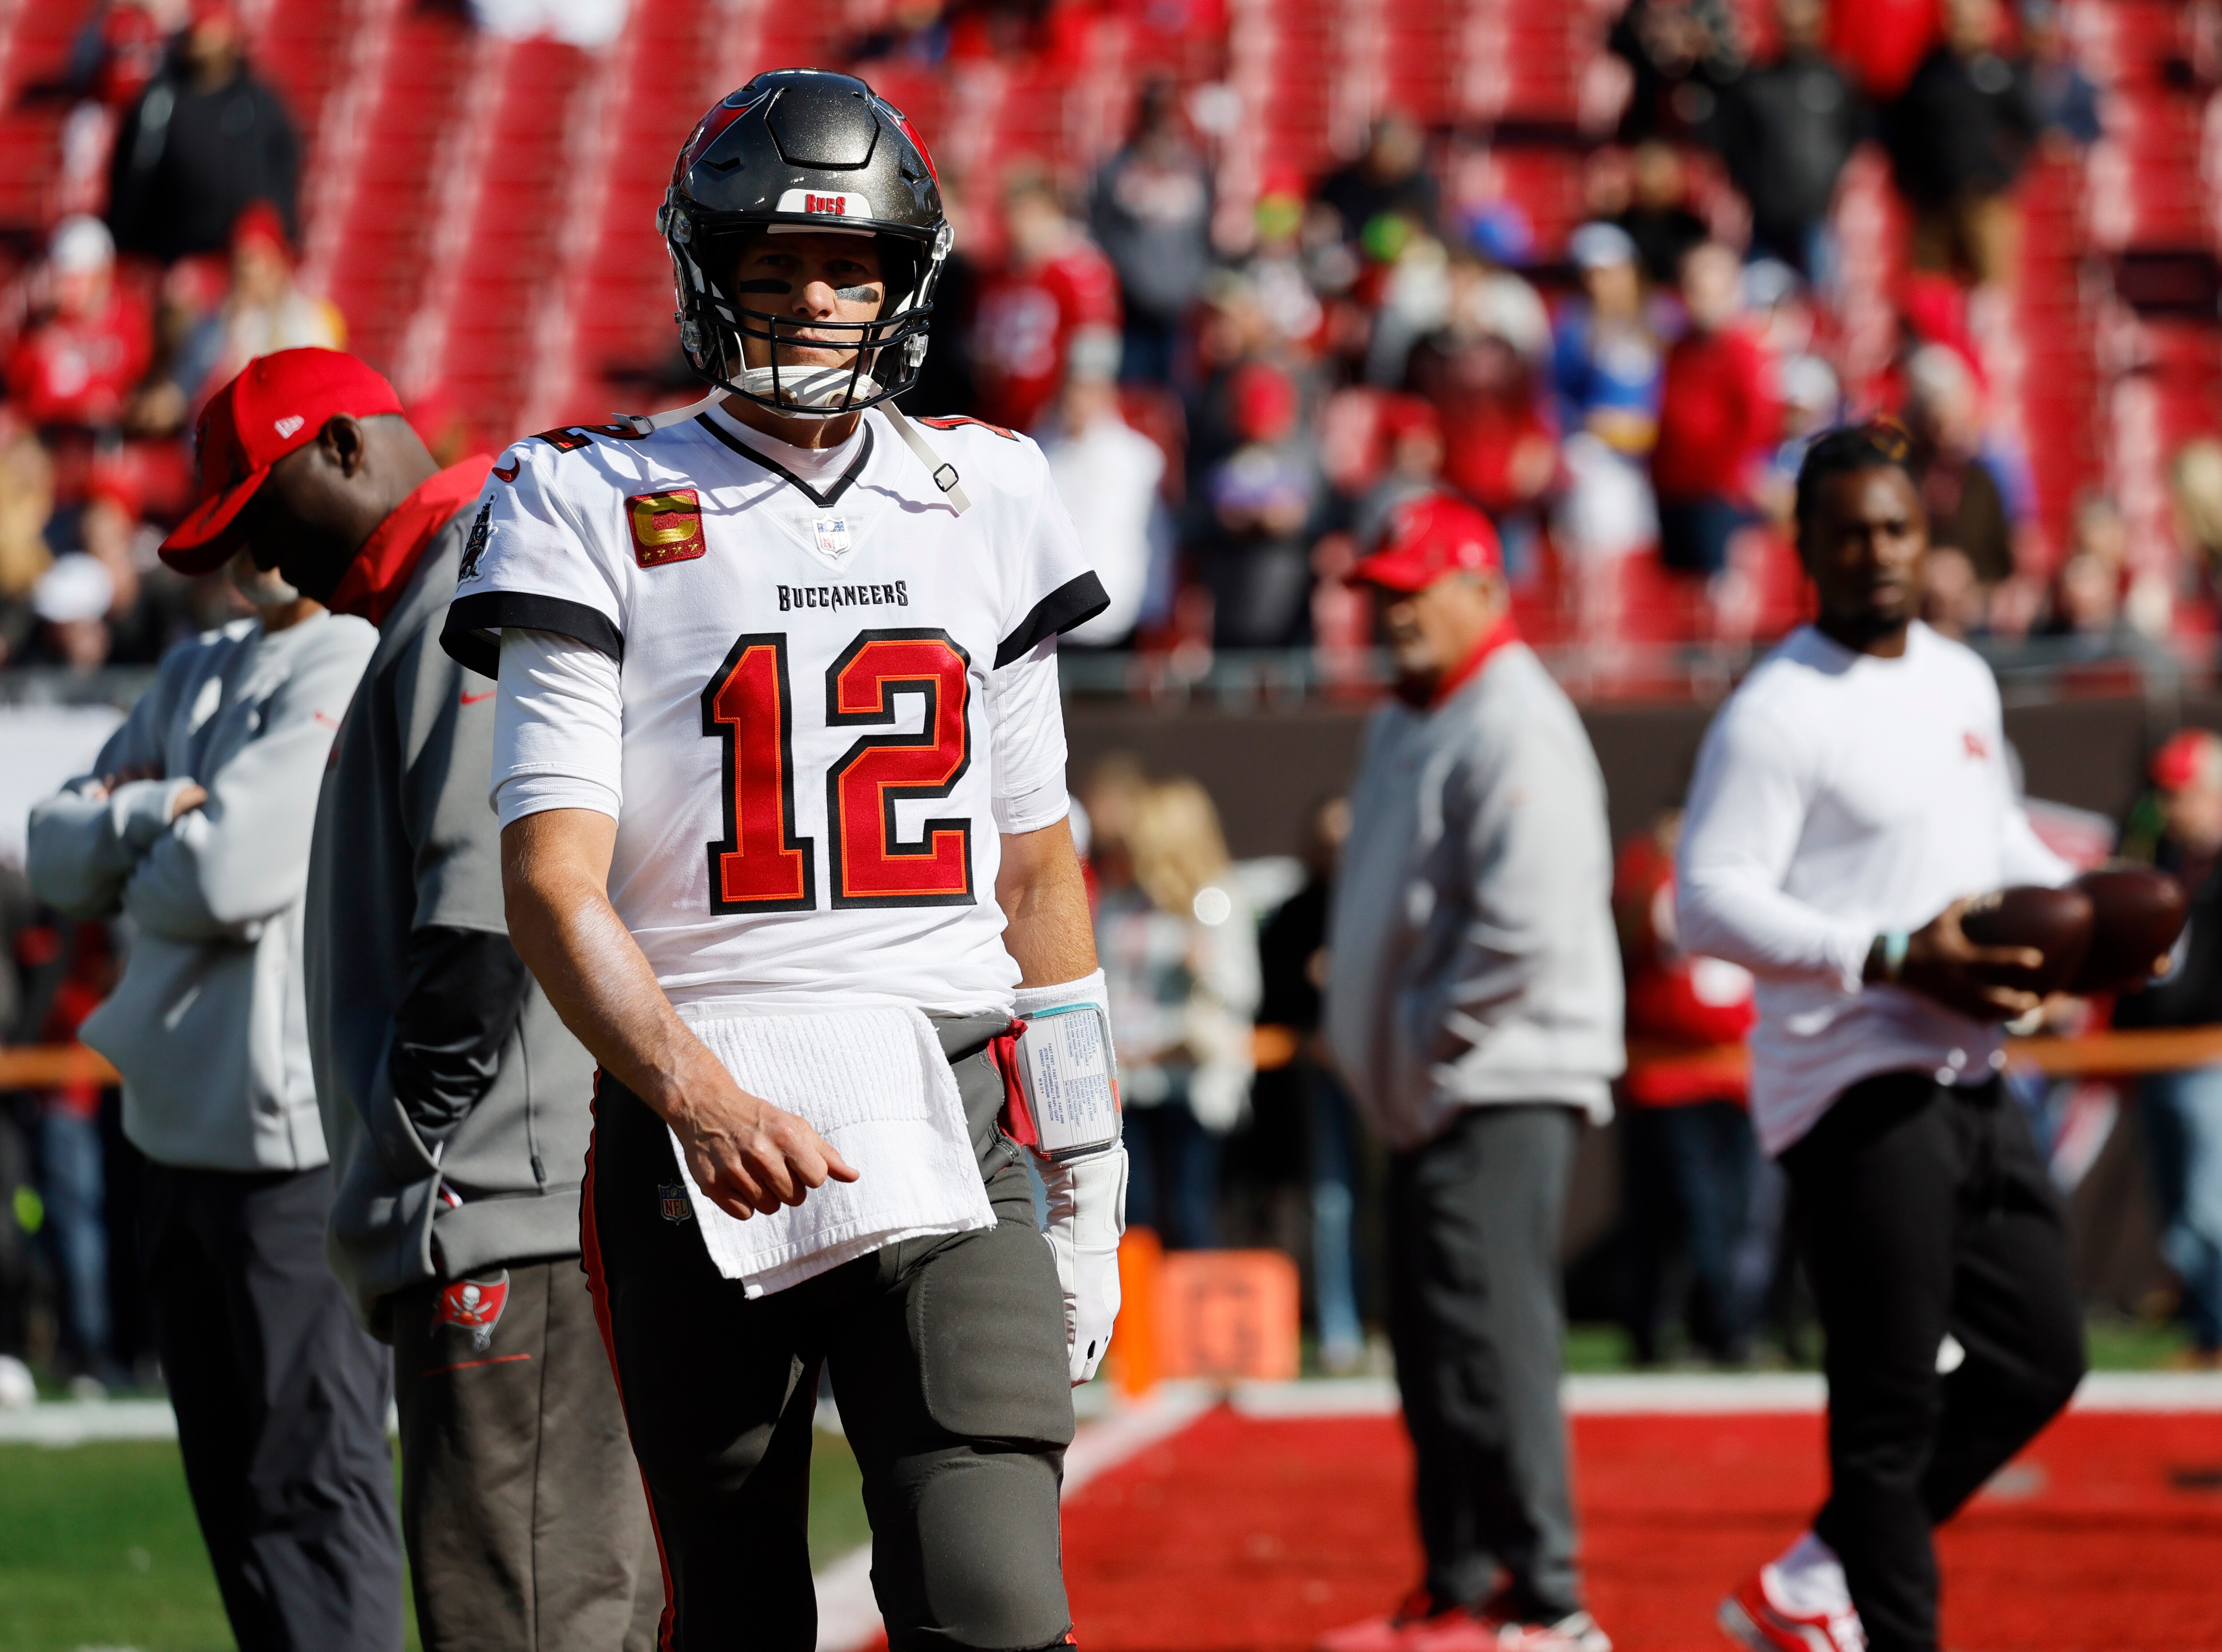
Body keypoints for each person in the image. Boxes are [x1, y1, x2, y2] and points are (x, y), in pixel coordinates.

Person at [441, 71, 1121, 1652]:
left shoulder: (990, 489)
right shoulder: (583, 496)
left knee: (995, 1600)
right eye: (771, 261)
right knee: (735, 1614)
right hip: (698, 1112)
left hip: (945, 1091)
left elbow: (1035, 874)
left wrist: (1087, 1178)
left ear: (905, 280)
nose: (814, 297)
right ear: (706, 271)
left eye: (849, 265)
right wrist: (693, 1093)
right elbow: (549, 876)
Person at [161, 347, 661, 1652]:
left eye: (260, 508)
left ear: (341, 449)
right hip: (546, 1194)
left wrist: (413, 1152)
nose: (258, 559)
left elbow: (486, 916)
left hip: (510, 1211)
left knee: (525, 1618)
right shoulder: (470, 573)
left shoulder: (473, 573)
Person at [1675, 423, 2088, 1652]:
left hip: (1969, 1068)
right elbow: (1706, 898)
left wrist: (2094, 914)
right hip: (1849, 1081)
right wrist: (1887, 952)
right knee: (1888, 1410)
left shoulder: (1960, 675)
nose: (1878, 551)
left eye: (1897, 527)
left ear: (1929, 534)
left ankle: (1811, 1574)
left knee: (2043, 1352)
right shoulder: (1775, 711)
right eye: (1850, 531)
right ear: (1806, 547)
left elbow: (1999, 841)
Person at [25, 543, 396, 1652]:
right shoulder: (195, 667)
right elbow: (51, 853)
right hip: (177, 1129)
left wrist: (127, 824)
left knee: (312, 1491)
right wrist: (152, 819)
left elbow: (235, 873)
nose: (251, 546)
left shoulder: (353, 653)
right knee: (235, 1499)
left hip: (294, 1145)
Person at [1322, 493, 1622, 1652]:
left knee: (1490, 1340)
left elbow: (1528, 930)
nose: (1392, 612)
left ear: (1485, 590)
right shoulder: (1417, 712)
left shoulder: (1514, 718)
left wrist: (1421, 1041)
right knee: (1438, 1345)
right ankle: (1461, 1587)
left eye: (1414, 589)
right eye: (1381, 592)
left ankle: (1545, 1598)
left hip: (1498, 1078)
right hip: (1440, 1085)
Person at [1611, 809, 1762, 1365]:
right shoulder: (1650, 869)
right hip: (1667, 1075)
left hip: (1739, 1072)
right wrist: (1657, 859)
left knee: (1736, 1215)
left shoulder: (1751, 868)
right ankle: (1671, 1329)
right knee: (1679, 1213)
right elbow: (1626, 932)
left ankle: (1726, 1328)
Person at [1097, 778, 1260, 1250]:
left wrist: (1204, 968)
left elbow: (1242, 991)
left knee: (1190, 1213)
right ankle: (1144, 1325)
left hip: (1191, 1081)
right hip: (1132, 1077)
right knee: (1136, 1215)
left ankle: (1192, 1324)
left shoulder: (1215, 900)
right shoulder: (1125, 899)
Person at [2111, 730, 2222, 1368]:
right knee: (2180, 1211)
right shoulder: (2158, 858)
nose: (2171, 806)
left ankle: (2217, 1329)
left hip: (2209, 1053)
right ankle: (2208, 1332)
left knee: (2210, 1206)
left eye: (2182, 794)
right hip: (2158, 1053)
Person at [1256, 793, 1365, 1372]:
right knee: (1331, 1200)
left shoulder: (1380, 904)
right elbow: (1272, 994)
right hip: (1320, 1073)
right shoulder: (1296, 912)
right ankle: (1340, 1328)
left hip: (1386, 1073)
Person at [106, 0, 300, 265]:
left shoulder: (258, 102)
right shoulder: (159, 101)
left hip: (240, 257)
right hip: (170, 257)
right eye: (200, 35)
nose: (205, 44)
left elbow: (284, 169)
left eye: (213, 33)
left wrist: (274, 234)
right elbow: (129, 172)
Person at [1881, 0, 2037, 289]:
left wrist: (2003, 176)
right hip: (1934, 204)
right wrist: (1913, 184)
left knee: (1994, 293)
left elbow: (2028, 132)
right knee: (1927, 292)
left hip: (1985, 202)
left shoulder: (2003, 73)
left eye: (1973, 22)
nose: (1965, 30)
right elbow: (1903, 132)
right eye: (1958, 21)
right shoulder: (1928, 73)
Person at [1651, 241, 1778, 582]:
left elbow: (1757, 424)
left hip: (1717, 498)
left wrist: (1721, 477)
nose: (1698, 300)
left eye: (1708, 291)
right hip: (1673, 492)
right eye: (1692, 289)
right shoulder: (1677, 349)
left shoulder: (1743, 351)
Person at [1712, 0, 1858, 279]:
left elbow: (1852, 140)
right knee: (1759, 300)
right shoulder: (1757, 84)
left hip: (1820, 220)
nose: (1798, 33)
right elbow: (1733, 145)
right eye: (1791, 26)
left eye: (1806, 25)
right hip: (1767, 221)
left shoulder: (1839, 79)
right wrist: (1758, 190)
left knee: (1826, 302)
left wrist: (1832, 188)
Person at [971, 168, 1123, 434]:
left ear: (1051, 211)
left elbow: (1095, 343)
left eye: (1028, 213)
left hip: (1058, 419)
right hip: (1001, 411)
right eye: (1012, 213)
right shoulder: (998, 274)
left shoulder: (1079, 269)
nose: (1018, 224)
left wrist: (1082, 396)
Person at [1089, 76, 1215, 386]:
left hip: (1184, 314)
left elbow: (1208, 235)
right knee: (1132, 393)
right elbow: (1101, 234)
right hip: (1132, 312)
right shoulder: (1115, 172)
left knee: (1179, 399)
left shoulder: (1196, 171)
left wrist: (1197, 282)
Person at [1040, 370, 1168, 648]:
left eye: (1087, 393)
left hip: (1121, 614)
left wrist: (1155, 605)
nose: (1077, 404)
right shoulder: (1040, 453)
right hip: (1055, 619)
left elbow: (1154, 536)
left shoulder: (1137, 457)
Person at [4, 216, 153, 435]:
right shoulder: (40, 324)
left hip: (106, 436)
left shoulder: (131, 316)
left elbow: (136, 382)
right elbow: (23, 392)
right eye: (61, 278)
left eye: (75, 279)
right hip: (46, 436)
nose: (65, 288)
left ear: (102, 275)